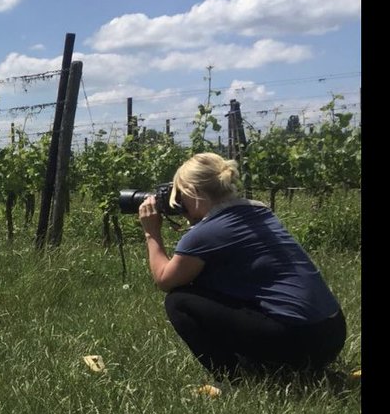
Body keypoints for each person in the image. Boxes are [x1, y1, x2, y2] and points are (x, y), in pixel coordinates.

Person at [137, 152, 347, 382]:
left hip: (299, 341)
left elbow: (165, 280)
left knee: (179, 301)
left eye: (180, 197)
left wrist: (151, 232)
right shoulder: (259, 211)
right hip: (332, 333)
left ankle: (231, 380)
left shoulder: (206, 234)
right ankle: (265, 367)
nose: (178, 204)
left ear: (194, 193)